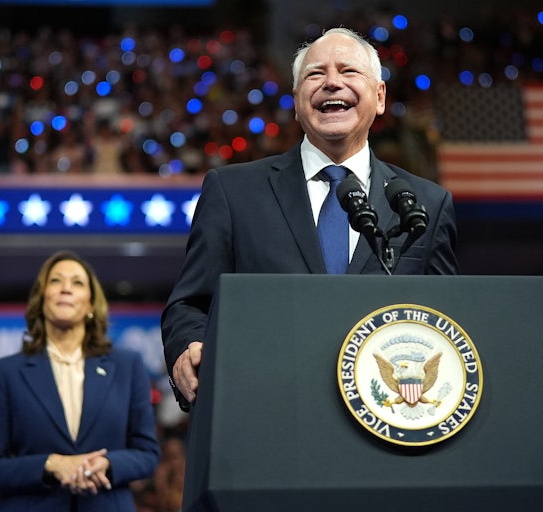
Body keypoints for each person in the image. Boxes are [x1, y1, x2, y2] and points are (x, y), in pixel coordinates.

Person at [161, 27, 459, 411]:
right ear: (297, 100)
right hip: (264, 412)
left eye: (349, 71)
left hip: (387, 427)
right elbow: (190, 304)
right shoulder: (233, 192)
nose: (332, 83)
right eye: (316, 74)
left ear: (380, 97)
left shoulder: (425, 204)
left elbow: (446, 320)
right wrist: (188, 348)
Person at [0, 250, 160, 511]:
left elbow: (148, 454)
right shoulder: (7, 373)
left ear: (91, 304)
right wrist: (50, 464)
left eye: (78, 283)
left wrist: (109, 464)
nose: (66, 289)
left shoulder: (127, 366)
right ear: (41, 298)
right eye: (56, 281)